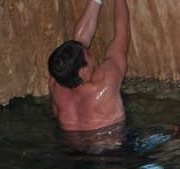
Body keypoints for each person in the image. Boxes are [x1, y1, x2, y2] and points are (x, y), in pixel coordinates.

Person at [48, 0, 131, 139]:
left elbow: (79, 43)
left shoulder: (55, 83)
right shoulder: (105, 84)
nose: (89, 51)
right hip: (114, 149)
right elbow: (122, 35)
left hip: (72, 148)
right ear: (82, 71)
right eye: (88, 53)